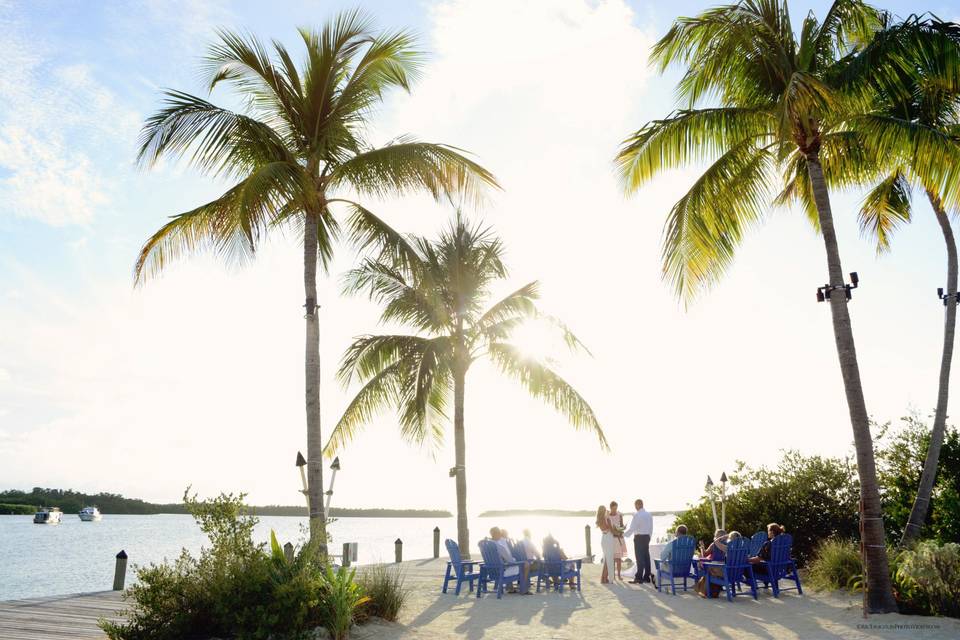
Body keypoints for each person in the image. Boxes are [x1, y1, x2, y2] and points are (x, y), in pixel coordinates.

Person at [489, 527, 528, 594]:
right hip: (501, 572)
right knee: (525, 565)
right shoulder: (500, 546)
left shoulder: (487, 545)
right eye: (500, 533)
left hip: (491, 571)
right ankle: (523, 589)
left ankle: (510, 587)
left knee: (508, 566)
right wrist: (516, 560)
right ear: (498, 534)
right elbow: (510, 560)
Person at [625, 498, 653, 584]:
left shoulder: (637, 515)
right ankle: (647, 577)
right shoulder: (649, 515)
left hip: (639, 538)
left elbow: (632, 528)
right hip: (646, 537)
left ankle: (638, 577)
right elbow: (651, 528)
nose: (635, 507)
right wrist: (649, 537)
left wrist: (623, 535)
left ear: (637, 505)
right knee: (646, 557)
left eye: (635, 505)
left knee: (639, 558)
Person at [608, 501, 627, 580]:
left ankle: (619, 575)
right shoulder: (608, 516)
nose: (615, 510)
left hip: (619, 539)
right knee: (612, 558)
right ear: (610, 508)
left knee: (619, 558)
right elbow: (609, 528)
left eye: (616, 508)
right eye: (613, 508)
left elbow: (621, 525)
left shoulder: (620, 515)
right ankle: (612, 575)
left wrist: (621, 530)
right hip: (611, 539)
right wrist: (615, 533)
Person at [596, 505, 614, 584]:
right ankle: (605, 578)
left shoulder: (599, 519)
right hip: (608, 539)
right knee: (608, 559)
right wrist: (618, 532)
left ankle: (603, 578)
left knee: (606, 559)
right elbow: (611, 530)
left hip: (603, 538)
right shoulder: (606, 519)